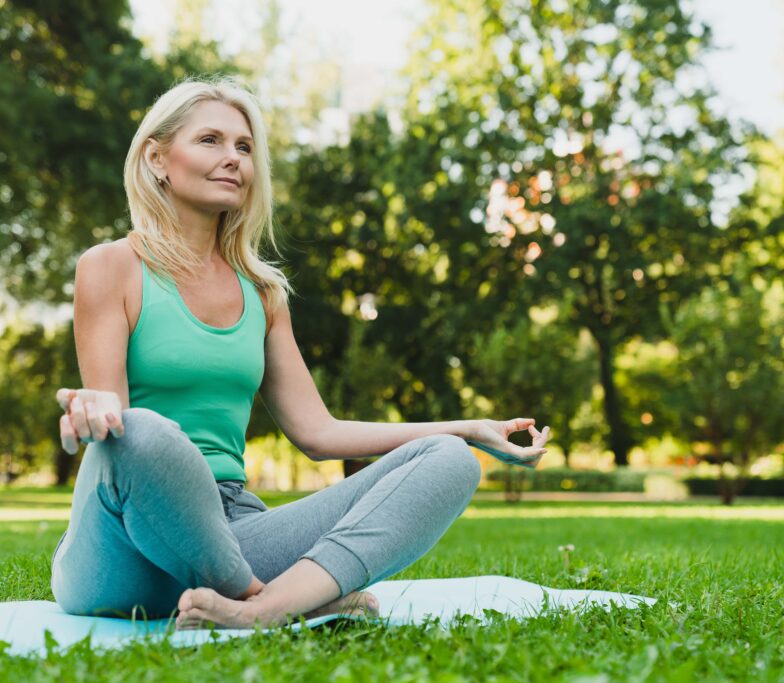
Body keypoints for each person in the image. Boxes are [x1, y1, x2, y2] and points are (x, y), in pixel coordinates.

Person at [49, 76, 551, 629]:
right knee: (141, 430)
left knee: (448, 459)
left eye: (244, 147)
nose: (233, 159)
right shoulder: (111, 266)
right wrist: (93, 410)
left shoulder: (262, 292)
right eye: (210, 141)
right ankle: (278, 598)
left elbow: (319, 433)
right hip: (123, 547)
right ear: (157, 158)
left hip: (235, 528)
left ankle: (263, 610)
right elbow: (115, 428)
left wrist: (467, 428)